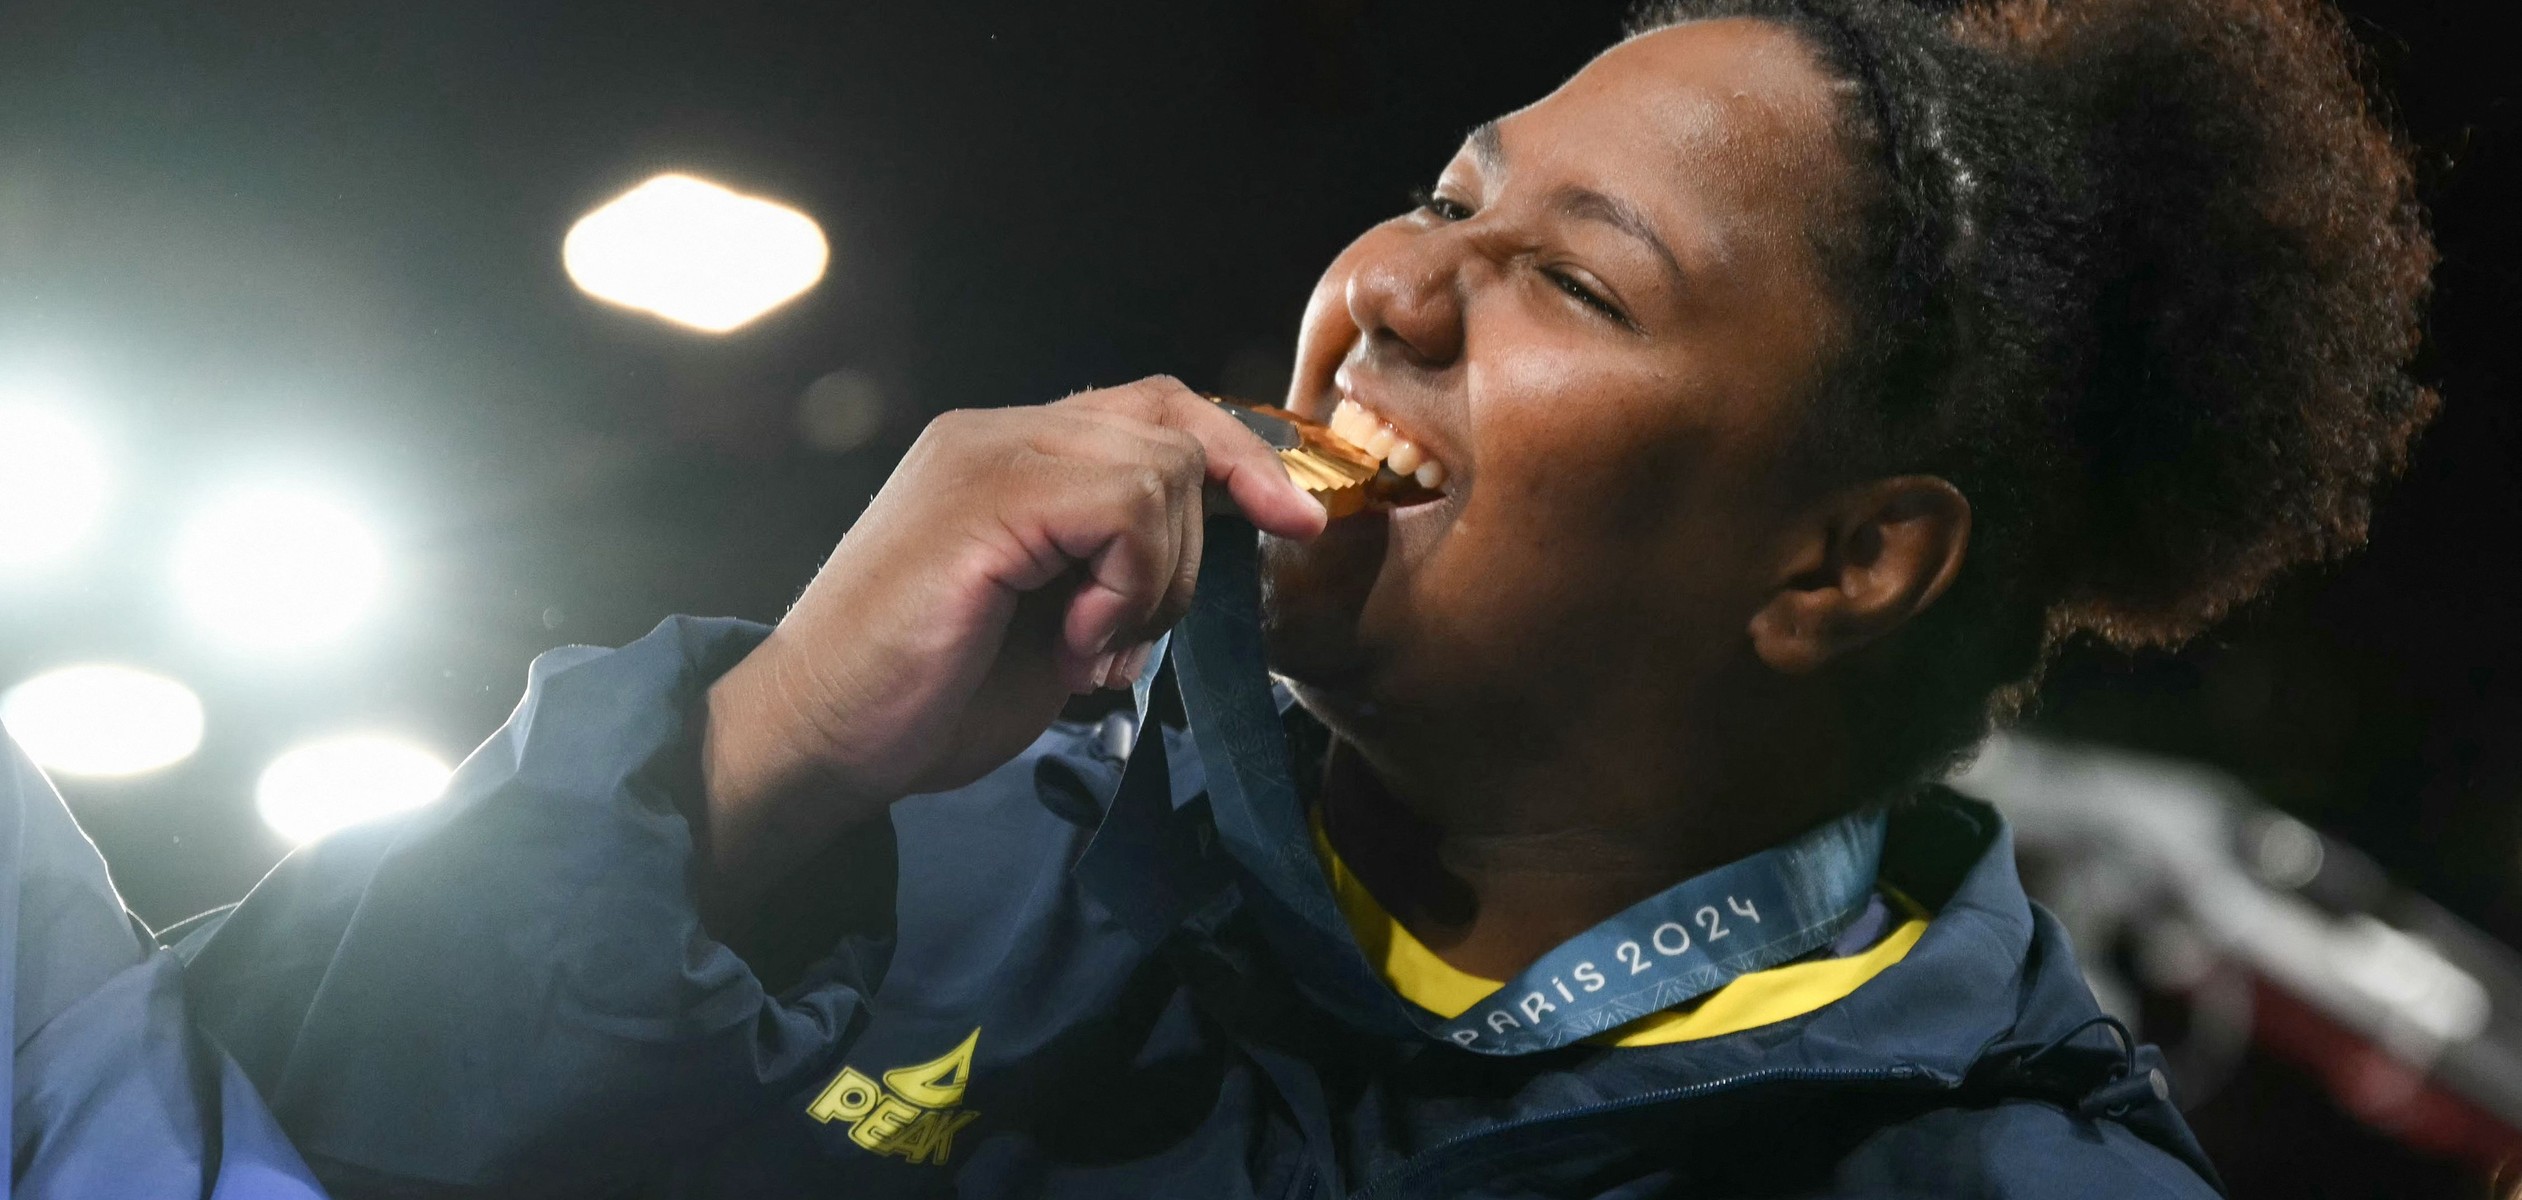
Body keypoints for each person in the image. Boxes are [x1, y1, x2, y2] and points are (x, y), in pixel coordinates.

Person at [168, 0, 2435, 1195]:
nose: (1383, 292)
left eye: (1564, 277)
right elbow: (157, 1139)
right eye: (1441, 197)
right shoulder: (899, 856)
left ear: (1841, 561)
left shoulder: (2001, 1190)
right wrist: (747, 754)